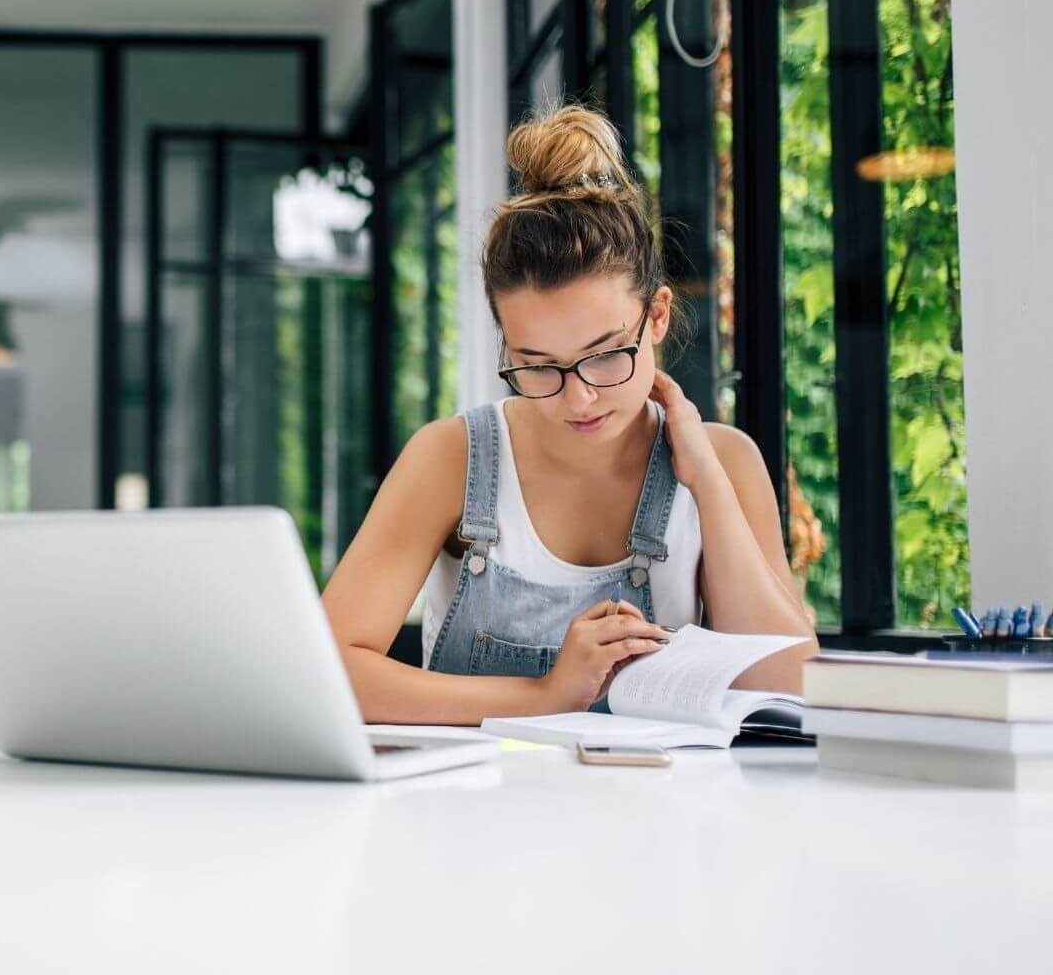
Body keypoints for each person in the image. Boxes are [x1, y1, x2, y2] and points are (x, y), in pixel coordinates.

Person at [322, 104, 816, 725]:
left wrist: (707, 482)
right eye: (538, 365)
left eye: (605, 356)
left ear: (656, 316)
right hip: (470, 815)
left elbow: (790, 684)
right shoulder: (453, 456)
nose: (577, 397)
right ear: (506, 344)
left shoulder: (727, 459)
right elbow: (332, 666)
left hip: (658, 815)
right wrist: (543, 696)